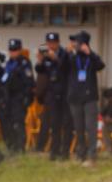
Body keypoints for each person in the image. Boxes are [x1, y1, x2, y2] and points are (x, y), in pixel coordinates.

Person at [66, 30, 105, 166]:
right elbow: (61, 67)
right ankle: (80, 154)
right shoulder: (71, 58)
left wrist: (91, 53)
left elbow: (101, 65)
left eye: (76, 42)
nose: (74, 44)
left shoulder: (91, 58)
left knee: (91, 127)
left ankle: (92, 156)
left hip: (90, 98)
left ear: (84, 43)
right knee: (79, 128)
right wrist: (68, 52)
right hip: (75, 98)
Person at [39, 32, 72, 159]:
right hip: (52, 94)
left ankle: (65, 152)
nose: (51, 45)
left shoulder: (65, 54)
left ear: (58, 42)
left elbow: (66, 69)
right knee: (54, 124)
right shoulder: (47, 55)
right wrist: (41, 60)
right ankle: (54, 151)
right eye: (49, 43)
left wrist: (56, 59)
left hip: (64, 93)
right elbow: (40, 70)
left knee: (66, 124)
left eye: (53, 43)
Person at [0, 39, 34, 154]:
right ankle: (11, 146)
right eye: (11, 50)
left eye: (15, 50)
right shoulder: (8, 63)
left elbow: (29, 82)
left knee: (18, 123)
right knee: (7, 123)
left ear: (20, 50)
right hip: (7, 98)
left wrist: (26, 97)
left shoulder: (24, 63)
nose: (13, 53)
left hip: (18, 98)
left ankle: (20, 147)